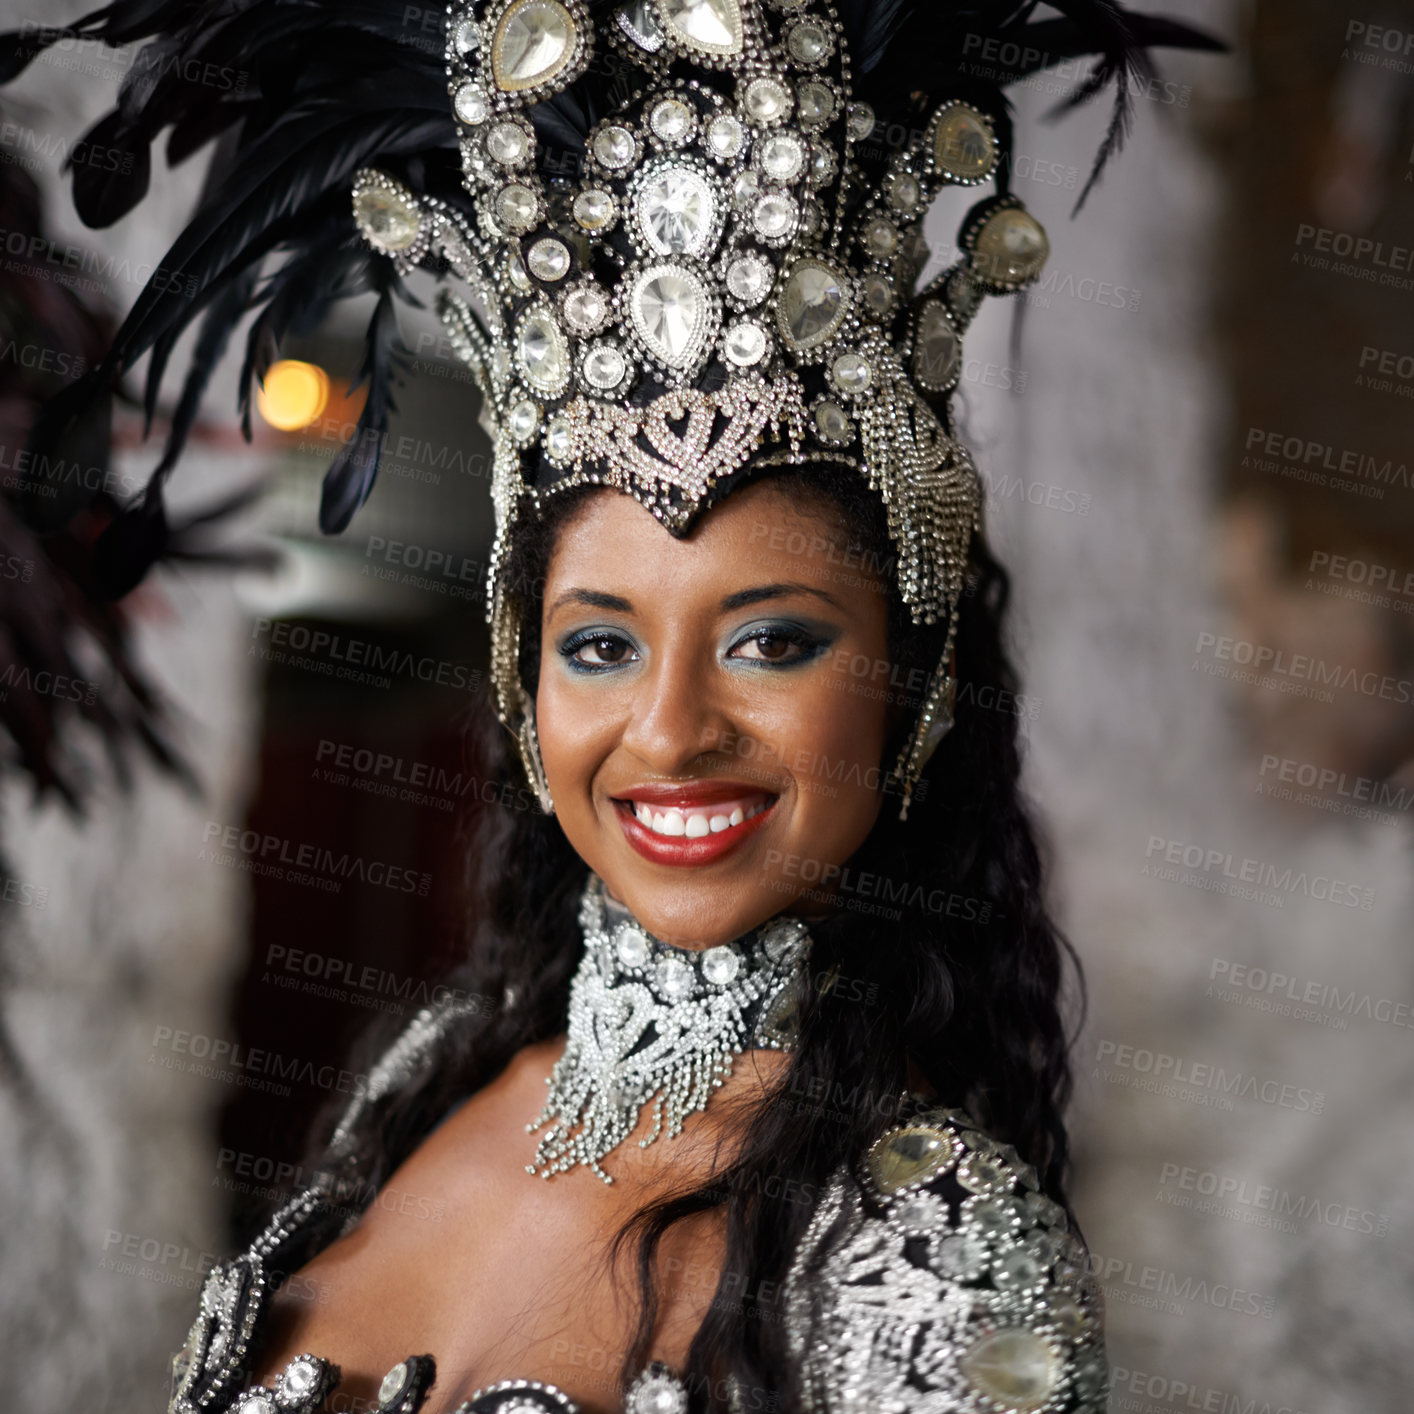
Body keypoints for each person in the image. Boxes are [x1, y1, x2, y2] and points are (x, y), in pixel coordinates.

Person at [0, 2, 1222, 1411]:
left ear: (919, 679)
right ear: (523, 684)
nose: (667, 730)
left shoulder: (932, 1261)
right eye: (597, 646)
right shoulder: (423, 1081)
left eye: (769, 639)